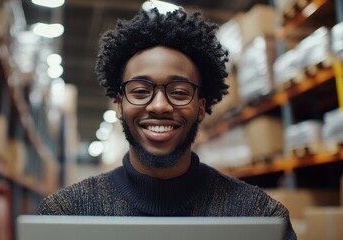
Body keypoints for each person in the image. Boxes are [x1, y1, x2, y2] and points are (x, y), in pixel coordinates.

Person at [37, 7, 297, 240]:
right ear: (119, 105)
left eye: (180, 92)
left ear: (201, 108)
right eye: (140, 91)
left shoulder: (257, 216)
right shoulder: (66, 214)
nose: (159, 105)